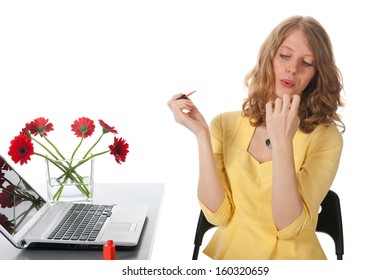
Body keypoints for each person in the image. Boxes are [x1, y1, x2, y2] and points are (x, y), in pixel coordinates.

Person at [167, 15, 345, 260]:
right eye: (285, 56)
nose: (293, 68)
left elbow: (289, 227)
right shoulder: (225, 124)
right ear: (268, 57)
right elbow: (216, 215)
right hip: (231, 259)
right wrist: (202, 135)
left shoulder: (326, 138)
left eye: (307, 62)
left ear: (316, 74)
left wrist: (282, 142)